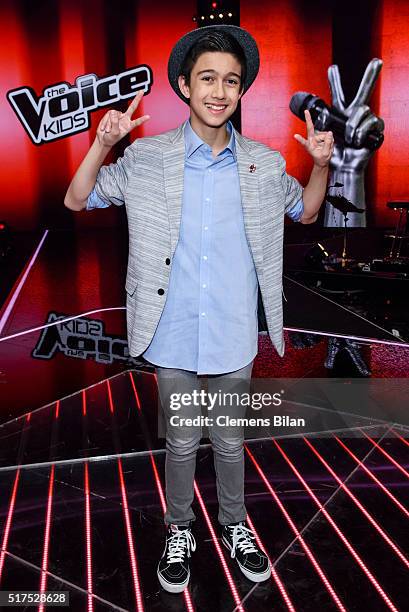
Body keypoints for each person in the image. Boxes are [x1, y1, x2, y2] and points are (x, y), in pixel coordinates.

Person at [64, 25, 334, 594]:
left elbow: (307, 214)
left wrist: (321, 165)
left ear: (241, 92)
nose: (219, 91)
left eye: (231, 81)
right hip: (172, 328)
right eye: (207, 78)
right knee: (182, 440)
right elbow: (77, 197)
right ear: (185, 85)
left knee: (231, 440)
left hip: (234, 330)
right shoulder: (147, 157)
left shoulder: (261, 162)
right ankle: (179, 527)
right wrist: (101, 144)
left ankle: (235, 524)